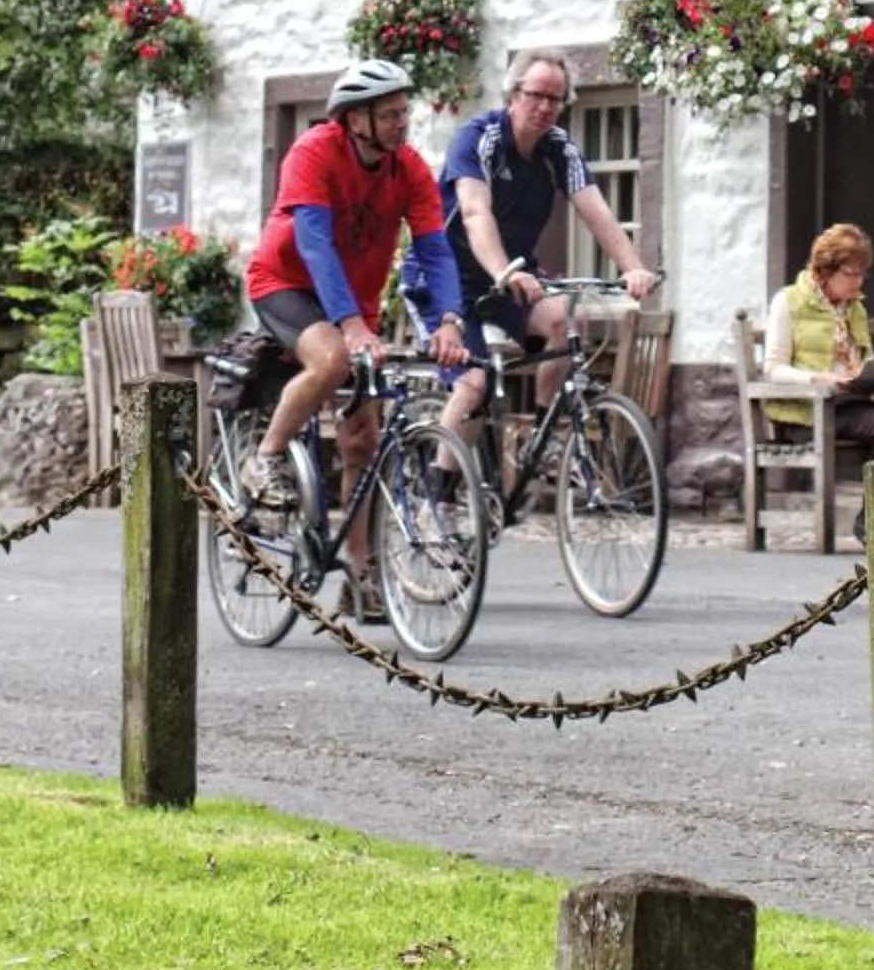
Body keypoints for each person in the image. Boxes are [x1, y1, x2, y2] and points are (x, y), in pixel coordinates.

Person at [243, 58, 470, 615]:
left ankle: (361, 578)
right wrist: (350, 326)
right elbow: (315, 244)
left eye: (404, 112)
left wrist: (447, 319)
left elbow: (434, 249)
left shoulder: (409, 169)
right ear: (356, 119)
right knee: (330, 361)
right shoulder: (314, 152)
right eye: (390, 113)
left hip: (356, 305)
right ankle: (265, 458)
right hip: (287, 283)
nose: (402, 122)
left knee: (361, 443)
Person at [418, 51, 656, 434]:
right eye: (536, 95)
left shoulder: (559, 149)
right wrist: (505, 271)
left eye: (555, 99)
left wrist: (632, 267)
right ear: (513, 94)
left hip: (507, 277)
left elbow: (596, 211)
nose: (545, 107)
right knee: (473, 384)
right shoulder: (479, 139)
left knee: (565, 320)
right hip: (449, 278)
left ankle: (542, 435)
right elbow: (475, 212)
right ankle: (442, 491)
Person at [762, 221, 874, 544]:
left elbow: (864, 360)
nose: (858, 283)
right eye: (850, 274)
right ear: (824, 270)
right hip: (810, 410)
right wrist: (823, 378)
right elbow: (774, 370)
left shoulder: (854, 308)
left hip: (854, 403)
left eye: (863, 274)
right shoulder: (788, 302)